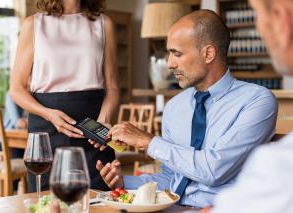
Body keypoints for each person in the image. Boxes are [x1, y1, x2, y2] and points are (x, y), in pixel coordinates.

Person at [95, 9, 278, 208]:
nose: (169, 64)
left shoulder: (257, 101)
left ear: (208, 53)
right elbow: (172, 180)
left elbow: (213, 171)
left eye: (177, 53)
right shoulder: (174, 107)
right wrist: (124, 183)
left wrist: (148, 141)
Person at [10, 0, 120, 192]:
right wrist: (48, 114)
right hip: (46, 131)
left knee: (100, 202)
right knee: (46, 203)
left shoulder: (104, 24)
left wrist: (103, 123)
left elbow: (113, 87)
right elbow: (16, 89)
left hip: (93, 132)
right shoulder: (33, 24)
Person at [200, 0, 293, 212]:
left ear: (281, 21)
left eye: (257, 14)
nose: (259, 29)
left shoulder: (278, 169)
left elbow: (215, 169)